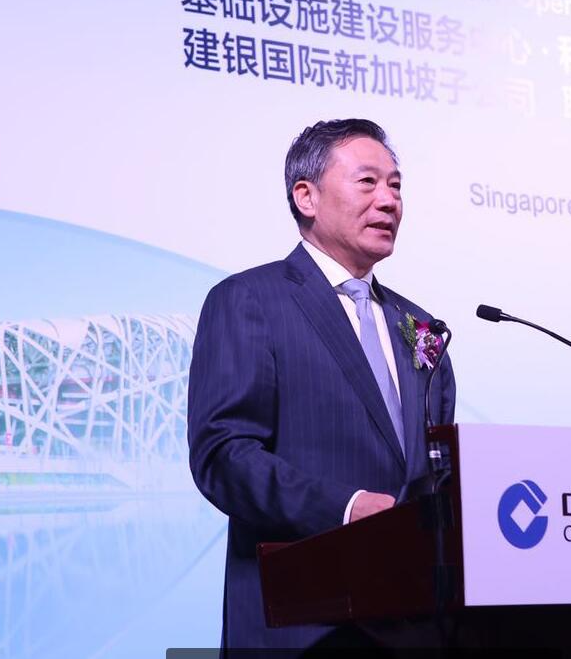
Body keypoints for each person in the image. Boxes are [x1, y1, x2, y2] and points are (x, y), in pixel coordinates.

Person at [187, 118, 456, 650]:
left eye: (396, 185)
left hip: (414, 627)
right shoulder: (249, 300)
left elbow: (437, 470)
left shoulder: (421, 326)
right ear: (306, 196)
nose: (389, 201)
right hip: (302, 626)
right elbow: (224, 456)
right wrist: (347, 507)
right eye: (368, 182)